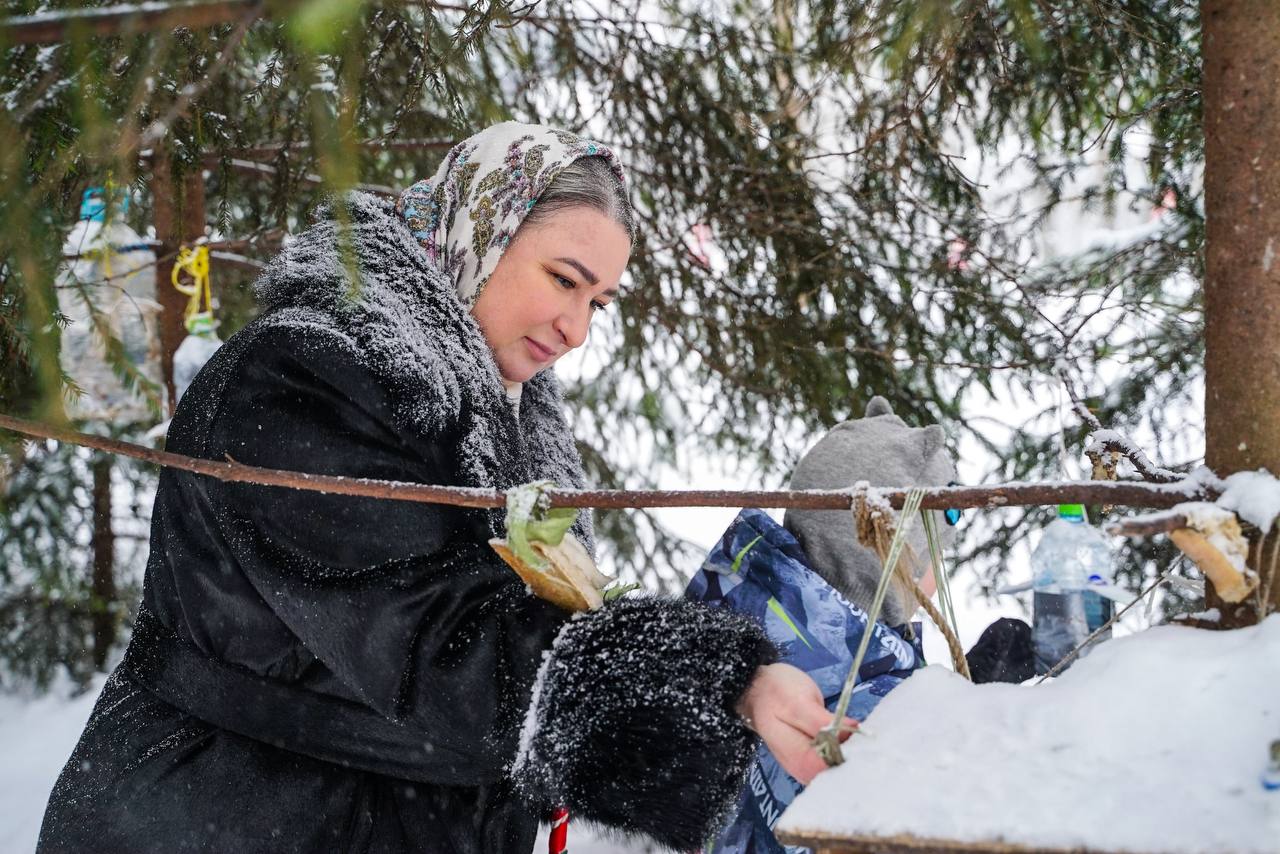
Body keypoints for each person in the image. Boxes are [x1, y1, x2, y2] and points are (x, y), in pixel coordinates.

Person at [36, 122, 845, 854]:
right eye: (564, 280)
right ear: (483, 232)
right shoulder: (298, 377)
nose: (577, 329)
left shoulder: (511, 426)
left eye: (597, 301)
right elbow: (437, 635)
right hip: (224, 821)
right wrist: (714, 678)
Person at [687, 397, 1033, 853]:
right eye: (937, 554)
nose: (936, 576)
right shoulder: (880, 713)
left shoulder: (720, 646)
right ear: (899, 553)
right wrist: (974, 726)